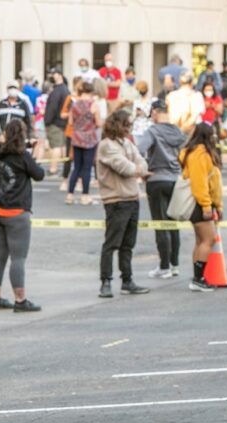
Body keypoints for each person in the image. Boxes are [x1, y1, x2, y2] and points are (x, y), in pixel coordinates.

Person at [0, 120, 44, 313]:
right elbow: (39, 174)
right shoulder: (23, 156)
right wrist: (35, 151)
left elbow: (8, 147)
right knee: (18, 258)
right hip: (17, 212)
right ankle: (20, 299)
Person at [96, 110, 150, 299]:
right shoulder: (106, 146)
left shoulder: (127, 143)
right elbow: (124, 167)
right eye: (126, 125)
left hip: (132, 198)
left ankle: (127, 280)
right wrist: (139, 170)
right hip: (116, 199)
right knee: (111, 243)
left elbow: (141, 161)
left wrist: (138, 169)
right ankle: (106, 281)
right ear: (118, 125)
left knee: (128, 244)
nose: (129, 129)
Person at [138, 100, 187, 278]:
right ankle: (174, 264)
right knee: (173, 224)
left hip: (156, 179)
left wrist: (144, 170)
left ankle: (164, 266)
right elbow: (186, 153)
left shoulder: (152, 131)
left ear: (155, 113)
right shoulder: (178, 132)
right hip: (175, 179)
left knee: (160, 224)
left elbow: (140, 149)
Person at [179, 123, 224, 292]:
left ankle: (198, 277)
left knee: (200, 241)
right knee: (208, 239)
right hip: (200, 203)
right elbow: (200, 183)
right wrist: (206, 205)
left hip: (202, 202)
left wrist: (217, 205)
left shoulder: (195, 153)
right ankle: (198, 278)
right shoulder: (199, 155)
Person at [66, 81, 102, 206]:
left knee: (76, 167)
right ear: (91, 92)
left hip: (76, 138)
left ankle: (70, 195)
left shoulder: (75, 105)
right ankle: (85, 195)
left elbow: (70, 122)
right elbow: (98, 123)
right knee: (86, 168)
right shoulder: (93, 105)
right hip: (89, 139)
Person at [43, 70, 69, 176]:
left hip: (55, 122)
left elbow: (52, 108)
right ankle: (63, 169)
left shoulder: (56, 92)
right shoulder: (66, 90)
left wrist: (47, 121)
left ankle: (53, 168)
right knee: (62, 145)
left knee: (56, 146)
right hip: (63, 122)